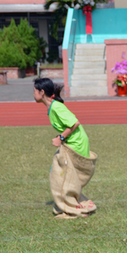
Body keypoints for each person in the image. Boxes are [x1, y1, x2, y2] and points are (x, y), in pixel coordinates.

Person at [33, 78, 97, 218]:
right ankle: (74, 204)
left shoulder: (56, 107)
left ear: (42, 92)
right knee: (60, 173)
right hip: (71, 142)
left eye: (34, 91)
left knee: (64, 175)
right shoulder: (53, 107)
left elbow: (74, 123)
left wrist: (60, 138)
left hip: (76, 144)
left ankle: (74, 208)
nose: (33, 94)